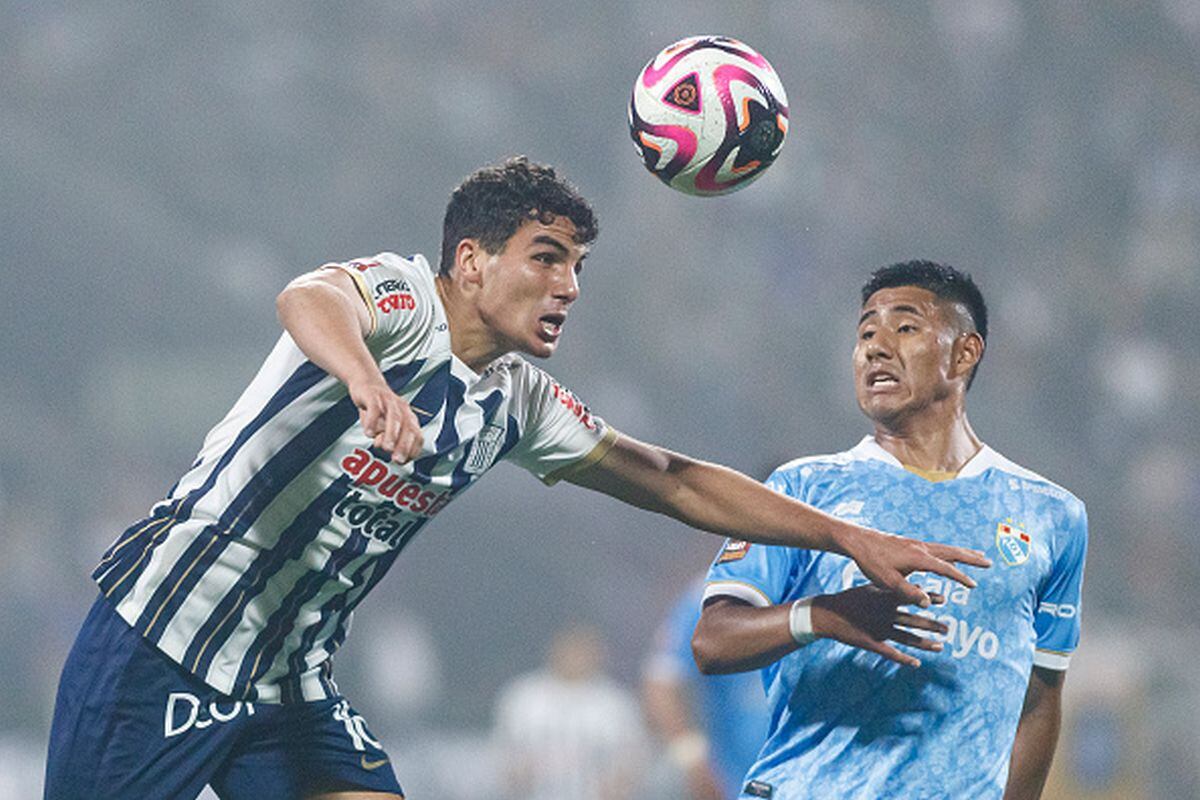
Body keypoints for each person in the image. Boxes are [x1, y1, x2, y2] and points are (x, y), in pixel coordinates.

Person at [44, 160, 988, 800]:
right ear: (470, 261)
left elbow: (668, 478)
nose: (569, 286)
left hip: (291, 679)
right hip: (165, 639)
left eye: (577, 266)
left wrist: (844, 535)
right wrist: (367, 381)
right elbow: (308, 296)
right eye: (547, 259)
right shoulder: (404, 299)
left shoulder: (519, 402)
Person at [692, 260, 1088, 800]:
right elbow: (712, 643)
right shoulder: (801, 490)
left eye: (905, 328)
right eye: (865, 333)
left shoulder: (1053, 516)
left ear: (963, 353)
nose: (876, 347)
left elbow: (1040, 701)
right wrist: (825, 615)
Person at [642, 577, 770, 800]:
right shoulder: (711, 591)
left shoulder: (824, 577)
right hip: (736, 776)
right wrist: (690, 756)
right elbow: (661, 681)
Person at [494, 625, 646, 800]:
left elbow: (634, 761)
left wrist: (618, 785)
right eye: (570, 649)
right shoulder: (522, 697)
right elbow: (503, 756)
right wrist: (517, 774)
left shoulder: (617, 703)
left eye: (583, 650)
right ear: (554, 650)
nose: (575, 657)